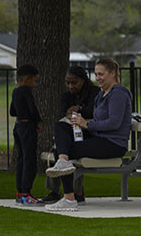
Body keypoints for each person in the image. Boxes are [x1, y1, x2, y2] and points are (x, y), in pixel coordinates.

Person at [45, 58, 133, 212]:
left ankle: (69, 199)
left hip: (113, 144)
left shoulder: (118, 94)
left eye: (101, 74)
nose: (97, 78)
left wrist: (86, 124)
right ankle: (67, 186)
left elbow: (114, 123)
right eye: (96, 74)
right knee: (61, 127)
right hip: (98, 138)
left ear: (112, 73)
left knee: (62, 151)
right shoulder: (101, 95)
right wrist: (80, 124)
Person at [39, 65, 101, 205]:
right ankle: (55, 191)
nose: (70, 86)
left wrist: (79, 110)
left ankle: (76, 192)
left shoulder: (94, 93)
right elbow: (63, 114)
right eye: (68, 83)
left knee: (67, 152)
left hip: (87, 132)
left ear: (83, 80)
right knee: (60, 151)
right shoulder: (66, 96)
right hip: (68, 131)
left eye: (74, 82)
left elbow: (93, 112)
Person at [10, 64, 42, 204]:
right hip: (28, 126)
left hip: (18, 126)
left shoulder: (16, 91)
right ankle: (26, 192)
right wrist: (38, 121)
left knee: (21, 159)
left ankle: (19, 192)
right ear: (27, 79)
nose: (35, 85)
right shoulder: (26, 90)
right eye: (34, 81)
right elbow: (33, 109)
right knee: (30, 160)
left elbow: (12, 111)